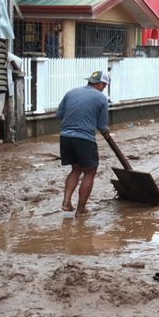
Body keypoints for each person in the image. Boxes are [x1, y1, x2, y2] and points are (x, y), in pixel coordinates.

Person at [56, 70, 111, 214]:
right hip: (84, 138)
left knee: (75, 169)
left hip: (65, 137)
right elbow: (102, 125)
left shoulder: (71, 92)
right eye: (104, 85)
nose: (104, 88)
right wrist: (106, 132)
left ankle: (66, 202)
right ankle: (81, 209)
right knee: (90, 172)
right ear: (100, 84)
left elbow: (59, 114)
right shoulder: (101, 98)